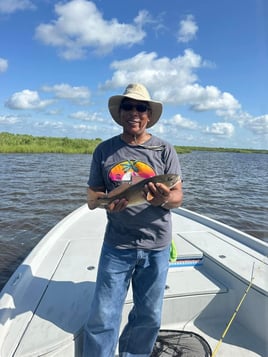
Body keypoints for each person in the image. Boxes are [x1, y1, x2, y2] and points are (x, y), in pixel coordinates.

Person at [83, 83, 183, 357]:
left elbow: (177, 197)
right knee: (103, 315)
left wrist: (162, 198)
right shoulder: (104, 150)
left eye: (141, 107)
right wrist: (104, 204)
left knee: (149, 315)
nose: (134, 113)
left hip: (156, 246)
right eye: (128, 106)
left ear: (149, 114)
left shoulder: (164, 150)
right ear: (120, 113)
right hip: (117, 246)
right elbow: (95, 193)